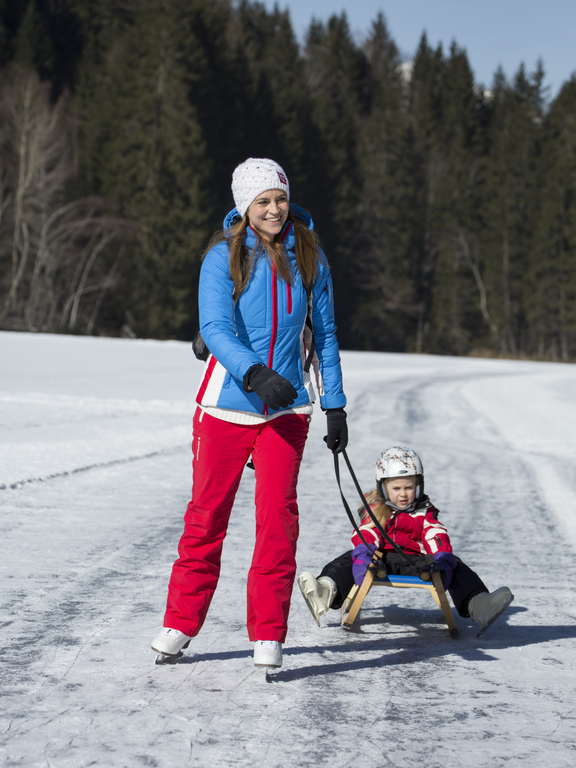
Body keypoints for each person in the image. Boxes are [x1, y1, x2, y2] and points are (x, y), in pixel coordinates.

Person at [151, 158, 348, 668]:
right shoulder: (223, 255)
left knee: (278, 522)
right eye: (263, 201)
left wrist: (335, 406)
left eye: (280, 199)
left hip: (287, 410)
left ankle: (268, 633)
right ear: (245, 206)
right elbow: (214, 327)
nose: (274, 209)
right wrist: (254, 373)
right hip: (226, 405)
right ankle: (180, 623)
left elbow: (326, 336)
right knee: (206, 517)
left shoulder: (310, 256)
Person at [298, 446, 514, 637]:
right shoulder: (377, 508)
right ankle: (326, 591)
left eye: (408, 488)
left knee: (455, 564)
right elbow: (367, 532)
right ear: (384, 488)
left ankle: (478, 604)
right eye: (396, 489)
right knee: (347, 559)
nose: (403, 494)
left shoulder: (424, 511)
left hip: (418, 563)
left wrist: (441, 559)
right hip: (380, 560)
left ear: (418, 485)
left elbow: (434, 533)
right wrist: (365, 555)